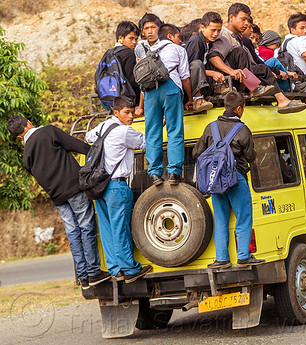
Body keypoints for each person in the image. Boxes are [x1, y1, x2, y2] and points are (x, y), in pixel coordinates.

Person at [7, 116, 110, 289]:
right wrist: (97, 153)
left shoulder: (26, 157)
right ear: (28, 124)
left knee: (72, 233)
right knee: (87, 227)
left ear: (18, 136)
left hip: (57, 197)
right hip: (74, 188)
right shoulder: (48, 131)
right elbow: (76, 146)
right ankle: (94, 273)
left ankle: (83, 277)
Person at [193, 91, 265, 268]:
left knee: (221, 220)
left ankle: (222, 259)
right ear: (239, 108)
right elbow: (249, 156)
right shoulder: (242, 130)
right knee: (243, 217)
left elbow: (196, 153)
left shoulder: (210, 128)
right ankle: (243, 256)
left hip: (215, 180)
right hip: (235, 178)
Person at [86, 96, 152, 283]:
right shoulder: (124, 132)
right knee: (120, 229)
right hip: (117, 186)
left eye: (132, 112)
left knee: (107, 229)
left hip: (99, 186)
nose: (131, 116)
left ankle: (115, 269)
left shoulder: (102, 127)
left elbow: (88, 137)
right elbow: (146, 142)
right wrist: (158, 125)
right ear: (116, 112)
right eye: (127, 112)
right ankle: (130, 269)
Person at [207, 3, 306, 114]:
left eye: (247, 20)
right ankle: (253, 88)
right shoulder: (224, 36)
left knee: (263, 68)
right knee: (240, 52)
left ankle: (282, 100)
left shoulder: (237, 37)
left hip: (243, 75)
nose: (246, 23)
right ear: (231, 18)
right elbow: (213, 57)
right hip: (231, 78)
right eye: (243, 19)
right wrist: (231, 71)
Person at [144, 23, 193, 186]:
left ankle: (155, 173)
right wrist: (190, 98)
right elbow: (185, 77)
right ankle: (173, 172)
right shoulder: (179, 50)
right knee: (174, 131)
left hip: (150, 92)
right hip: (170, 89)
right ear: (171, 36)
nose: (180, 40)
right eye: (179, 37)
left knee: (152, 132)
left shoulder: (149, 51)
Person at [185, 11, 226, 101]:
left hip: (206, 80)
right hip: (195, 85)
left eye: (219, 30)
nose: (216, 34)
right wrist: (212, 73)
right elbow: (192, 68)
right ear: (202, 28)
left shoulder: (210, 41)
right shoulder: (196, 41)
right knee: (197, 64)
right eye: (213, 30)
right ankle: (198, 98)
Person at [113, 21, 141, 106]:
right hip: (127, 100)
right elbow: (132, 80)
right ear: (121, 38)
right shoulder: (129, 53)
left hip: (110, 97)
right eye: (131, 38)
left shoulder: (110, 53)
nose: (134, 42)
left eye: (136, 39)